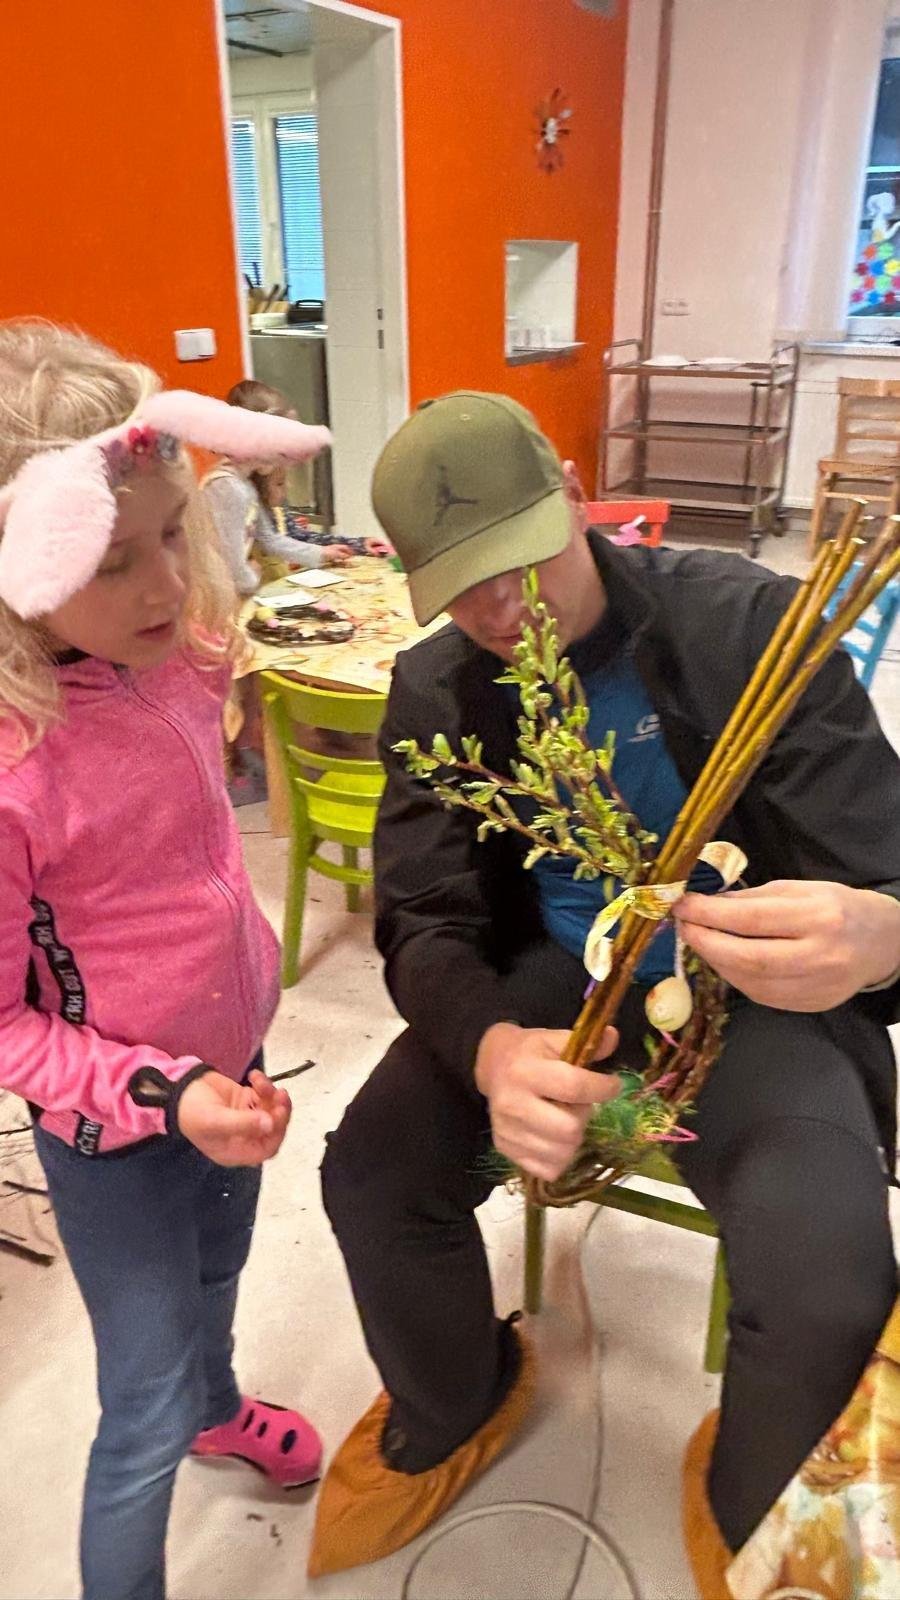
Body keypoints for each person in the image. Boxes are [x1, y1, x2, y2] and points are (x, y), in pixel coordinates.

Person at [310, 391, 900, 1591]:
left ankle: (750, 1501)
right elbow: (425, 916)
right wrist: (491, 1051)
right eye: (462, 589)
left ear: (576, 494)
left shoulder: (748, 624)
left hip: (752, 996)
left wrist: (885, 931)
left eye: (521, 562)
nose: (501, 611)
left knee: (828, 1277)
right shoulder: (438, 686)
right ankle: (456, 1398)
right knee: (373, 1171)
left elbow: (883, 862)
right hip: (554, 979)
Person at [0, 322, 329, 1600]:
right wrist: (164, 1093)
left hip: (233, 1071)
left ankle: (218, 1406)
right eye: (112, 559)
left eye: (174, 535)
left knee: (221, 1274)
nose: (163, 586)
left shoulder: (181, 657)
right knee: (137, 1400)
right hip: (117, 1138)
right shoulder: (15, 769)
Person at [202, 378, 353, 595]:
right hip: (222, 596)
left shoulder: (244, 484)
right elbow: (231, 565)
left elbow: (269, 539)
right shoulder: (227, 487)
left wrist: (320, 553)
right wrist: (253, 577)